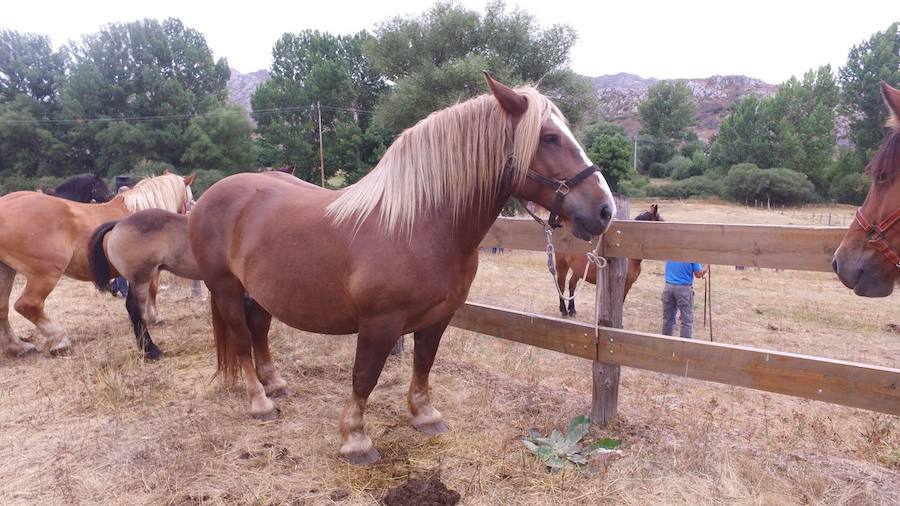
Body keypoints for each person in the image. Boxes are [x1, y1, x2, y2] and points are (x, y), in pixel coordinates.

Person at [661, 260, 708, 338]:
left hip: (668, 286)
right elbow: (698, 274)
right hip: (684, 288)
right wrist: (707, 264)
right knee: (687, 321)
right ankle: (684, 347)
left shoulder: (671, 250)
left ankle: (665, 345)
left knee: (668, 320)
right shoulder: (692, 253)